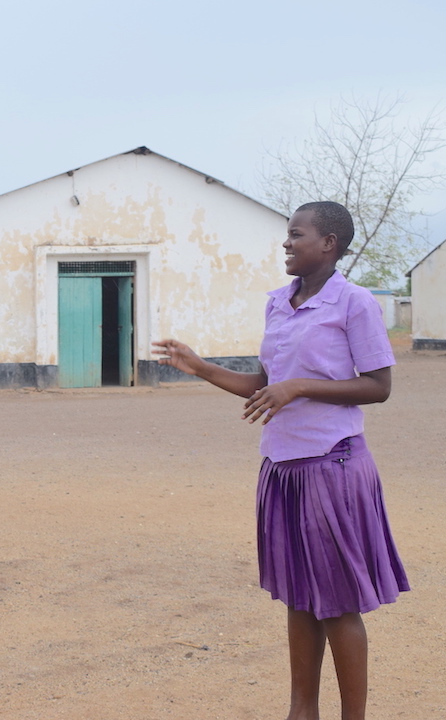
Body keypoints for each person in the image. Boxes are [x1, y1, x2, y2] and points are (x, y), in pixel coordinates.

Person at [152, 201, 408, 720]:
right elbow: (265, 386)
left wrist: (299, 387)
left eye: (296, 235)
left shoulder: (355, 303)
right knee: (298, 598)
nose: (286, 244)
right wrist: (200, 366)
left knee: (336, 603)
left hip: (331, 465)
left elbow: (378, 387)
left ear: (329, 244)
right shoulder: (279, 304)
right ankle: (301, 712)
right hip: (282, 468)